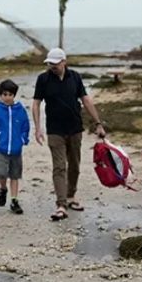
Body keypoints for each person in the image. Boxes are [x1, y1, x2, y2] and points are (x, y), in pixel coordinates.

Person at [32, 47, 107, 221]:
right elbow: (36, 103)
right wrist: (37, 128)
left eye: (55, 63)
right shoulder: (43, 79)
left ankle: (71, 196)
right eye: (50, 63)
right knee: (59, 167)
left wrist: (98, 123)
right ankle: (61, 204)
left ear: (64, 62)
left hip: (75, 128)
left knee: (74, 165)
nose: (52, 66)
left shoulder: (75, 77)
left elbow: (86, 99)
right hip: (54, 130)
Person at [0, 78, 30, 214]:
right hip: (1, 149)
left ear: (14, 95)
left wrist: (23, 139)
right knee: (2, 173)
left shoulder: (20, 110)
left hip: (16, 150)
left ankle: (14, 200)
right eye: (4, 94)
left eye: (10, 94)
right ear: (0, 94)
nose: (7, 97)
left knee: (15, 176)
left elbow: (25, 126)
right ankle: (3, 188)